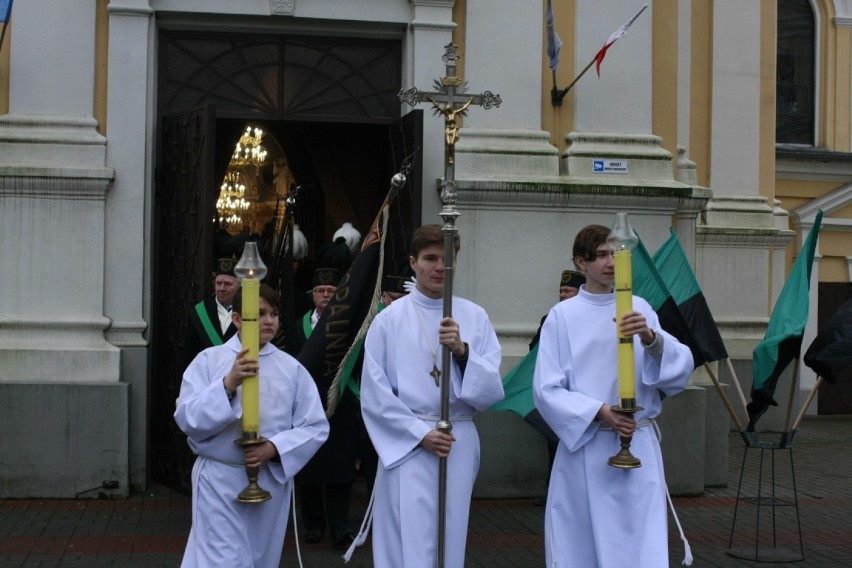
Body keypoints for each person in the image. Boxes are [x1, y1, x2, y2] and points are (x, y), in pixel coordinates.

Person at [532, 224, 693, 567]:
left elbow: (680, 368)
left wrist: (651, 339)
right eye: (601, 255)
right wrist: (600, 411)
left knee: (639, 540)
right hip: (587, 445)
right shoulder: (563, 316)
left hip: (638, 441)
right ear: (581, 262)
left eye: (616, 255)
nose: (611, 263)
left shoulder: (640, 308)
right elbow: (546, 389)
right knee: (581, 540)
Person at [356, 224, 504, 568]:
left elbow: (491, 389)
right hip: (408, 442)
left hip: (458, 440)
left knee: (450, 534)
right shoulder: (389, 320)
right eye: (430, 258)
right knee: (409, 535)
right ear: (413, 263)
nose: (439, 266)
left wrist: (463, 352)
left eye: (446, 258)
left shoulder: (474, 317)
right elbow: (374, 394)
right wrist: (421, 434)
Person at [175, 283, 329, 568]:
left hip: (268, 480)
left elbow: (315, 426)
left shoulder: (291, 368)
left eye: (273, 313)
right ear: (236, 319)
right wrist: (228, 384)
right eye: (258, 314)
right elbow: (187, 418)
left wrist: (274, 447)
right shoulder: (210, 361)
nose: (269, 321)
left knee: (260, 558)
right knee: (224, 561)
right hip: (220, 479)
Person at [286, 263, 359, 549]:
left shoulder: (351, 325)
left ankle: (340, 528)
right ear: (312, 295)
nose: (326, 295)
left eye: (331, 290)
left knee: (341, 471)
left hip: (340, 406)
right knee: (309, 470)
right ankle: (314, 525)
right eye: (320, 290)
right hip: (307, 408)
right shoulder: (295, 327)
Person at [525, 269, 585, 506]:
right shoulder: (551, 318)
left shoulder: (588, 317)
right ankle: (555, 490)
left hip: (582, 394)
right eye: (561, 291)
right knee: (555, 443)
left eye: (567, 290)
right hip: (558, 392)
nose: (562, 294)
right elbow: (535, 350)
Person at [181, 247, 243, 370]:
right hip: (206, 377)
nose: (221, 288)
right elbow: (189, 354)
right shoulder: (199, 312)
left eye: (228, 284)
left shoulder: (249, 311)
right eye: (218, 283)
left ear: (239, 286)